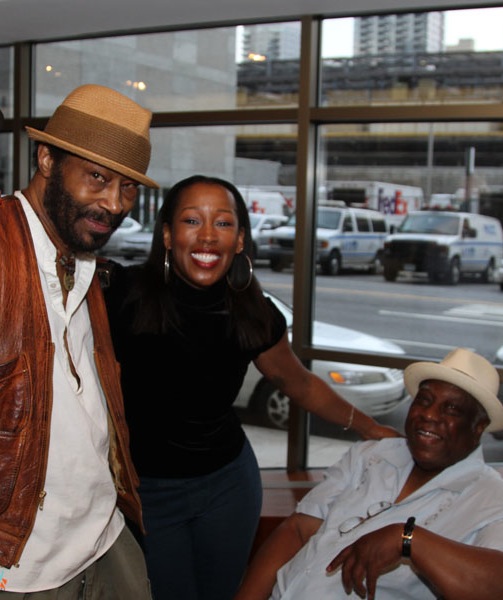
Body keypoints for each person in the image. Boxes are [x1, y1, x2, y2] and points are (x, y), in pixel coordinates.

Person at [103, 173, 401, 600]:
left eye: (223, 223)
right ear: (167, 235)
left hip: (227, 486)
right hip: (149, 492)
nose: (208, 236)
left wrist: (371, 428)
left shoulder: (251, 311)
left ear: (240, 240)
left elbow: (296, 381)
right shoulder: (123, 296)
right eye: (191, 221)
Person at [0, 83, 158, 598]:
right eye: (98, 177)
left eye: (129, 187)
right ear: (46, 159)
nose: (115, 203)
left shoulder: (84, 261)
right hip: (21, 561)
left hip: (105, 535)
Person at [234, 347, 503, 600]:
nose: (429, 415)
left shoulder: (490, 497)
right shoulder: (372, 455)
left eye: (451, 409)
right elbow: (298, 529)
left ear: (478, 427)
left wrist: (408, 540)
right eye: (424, 401)